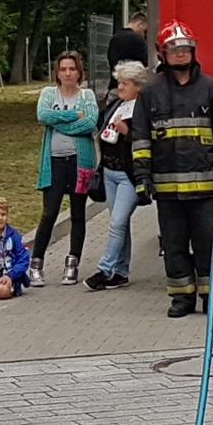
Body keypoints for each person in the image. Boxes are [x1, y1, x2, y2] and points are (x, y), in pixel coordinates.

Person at [132, 21, 213, 318]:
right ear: (162, 54)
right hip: (168, 190)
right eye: (174, 50)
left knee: (208, 246)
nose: (180, 54)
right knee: (174, 247)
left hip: (206, 188)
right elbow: (140, 138)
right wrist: (141, 178)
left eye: (185, 48)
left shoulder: (211, 89)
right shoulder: (150, 93)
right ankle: (182, 298)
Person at [31, 50, 99, 287]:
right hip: (55, 162)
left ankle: (72, 262)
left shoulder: (86, 95)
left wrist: (61, 123)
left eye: (72, 69)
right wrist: (73, 117)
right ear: (57, 73)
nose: (68, 73)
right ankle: (36, 263)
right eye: (63, 69)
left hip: (80, 162)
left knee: (78, 214)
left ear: (79, 72)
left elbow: (90, 121)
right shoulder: (49, 94)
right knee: (49, 213)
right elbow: (43, 115)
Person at [85, 61, 147, 292]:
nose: (120, 87)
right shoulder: (117, 105)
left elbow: (146, 142)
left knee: (118, 222)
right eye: (119, 82)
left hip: (128, 175)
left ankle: (106, 268)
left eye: (125, 83)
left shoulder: (142, 109)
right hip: (109, 172)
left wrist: (128, 133)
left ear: (138, 86)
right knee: (120, 224)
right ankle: (121, 271)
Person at [106, 12, 149, 89]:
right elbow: (148, 62)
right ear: (140, 24)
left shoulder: (114, 38)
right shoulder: (138, 40)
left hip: (115, 86)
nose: (144, 35)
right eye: (145, 31)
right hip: (133, 87)